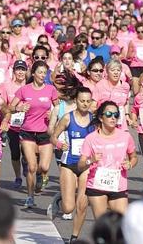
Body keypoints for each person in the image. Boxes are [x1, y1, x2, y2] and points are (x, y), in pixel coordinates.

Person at [9, 61, 59, 208]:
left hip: (45, 132)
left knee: (43, 167)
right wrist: (19, 107)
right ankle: (30, 197)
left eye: (45, 73)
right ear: (33, 73)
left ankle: (40, 175)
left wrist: (53, 114)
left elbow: (59, 109)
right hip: (28, 131)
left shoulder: (51, 90)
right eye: (40, 72)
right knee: (31, 166)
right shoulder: (24, 90)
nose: (42, 76)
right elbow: (10, 107)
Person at [49, 87, 94, 243]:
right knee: (68, 208)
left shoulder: (94, 120)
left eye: (88, 101)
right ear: (76, 101)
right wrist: (60, 144)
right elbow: (53, 137)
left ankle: (74, 237)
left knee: (82, 204)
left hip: (86, 166)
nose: (85, 104)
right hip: (69, 163)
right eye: (82, 101)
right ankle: (60, 200)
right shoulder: (68, 118)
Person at [78, 101, 138, 219]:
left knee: (122, 223)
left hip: (118, 184)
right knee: (102, 224)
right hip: (97, 185)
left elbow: (134, 157)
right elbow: (80, 165)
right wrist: (91, 160)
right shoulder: (91, 138)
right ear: (101, 117)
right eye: (109, 114)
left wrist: (130, 164)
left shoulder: (125, 136)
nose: (113, 118)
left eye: (116, 115)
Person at [0, 60, 28, 188]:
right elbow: (3, 106)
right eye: (18, 69)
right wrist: (16, 109)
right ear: (14, 71)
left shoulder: (31, 85)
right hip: (12, 126)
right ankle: (18, 176)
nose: (20, 72)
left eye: (23, 69)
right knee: (15, 153)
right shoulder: (6, 86)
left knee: (27, 152)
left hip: (28, 125)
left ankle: (26, 162)